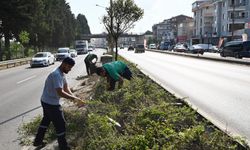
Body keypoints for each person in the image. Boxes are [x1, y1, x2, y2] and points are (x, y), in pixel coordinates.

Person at [33, 57, 84, 150]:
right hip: (51, 103)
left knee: (46, 120)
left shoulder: (61, 73)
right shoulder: (56, 74)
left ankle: (38, 141)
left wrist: (74, 98)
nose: (70, 69)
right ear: (64, 64)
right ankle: (63, 146)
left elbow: (66, 87)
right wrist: (73, 98)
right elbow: (60, 92)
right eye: (69, 67)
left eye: (71, 67)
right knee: (61, 124)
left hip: (45, 100)